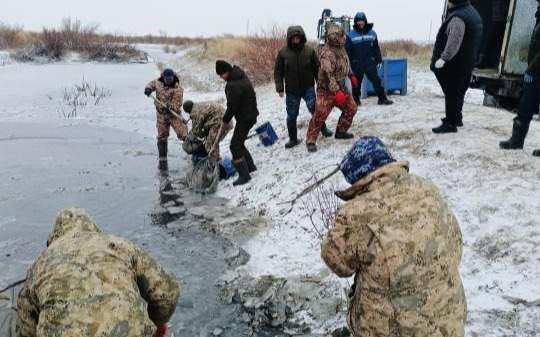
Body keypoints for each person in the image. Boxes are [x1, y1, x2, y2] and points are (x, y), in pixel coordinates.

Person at [321, 137, 467, 337]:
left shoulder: (356, 212)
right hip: (450, 320)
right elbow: (457, 242)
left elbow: (337, 262)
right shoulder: (426, 188)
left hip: (396, 329)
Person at [16, 208, 180, 337]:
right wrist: (158, 323)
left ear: (55, 236)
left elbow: (26, 326)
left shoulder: (42, 261)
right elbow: (168, 293)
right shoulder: (118, 245)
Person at [274, 25, 333, 148]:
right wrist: (280, 88)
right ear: (289, 39)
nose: (296, 40)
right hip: (291, 90)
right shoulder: (283, 53)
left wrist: (321, 83)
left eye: (298, 38)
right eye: (293, 38)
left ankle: (323, 129)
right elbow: (278, 72)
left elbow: (317, 69)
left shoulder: (309, 51)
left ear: (302, 37)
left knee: (315, 109)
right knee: (291, 115)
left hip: (308, 87)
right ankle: (293, 139)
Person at [431, 0, 483, 134]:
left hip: (455, 63)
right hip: (467, 61)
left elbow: (454, 41)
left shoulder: (458, 18)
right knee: (460, 91)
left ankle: (450, 123)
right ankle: (457, 118)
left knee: (452, 92)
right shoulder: (472, 11)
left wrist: (443, 58)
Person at [306, 24, 358, 153]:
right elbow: (328, 75)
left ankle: (341, 132)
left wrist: (351, 75)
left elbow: (346, 62)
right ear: (334, 38)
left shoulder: (341, 48)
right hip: (326, 90)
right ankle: (311, 140)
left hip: (340, 87)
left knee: (351, 108)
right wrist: (336, 92)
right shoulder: (326, 53)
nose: (344, 38)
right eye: (341, 36)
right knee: (320, 114)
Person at [500, 1, 540, 156]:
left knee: (527, 105)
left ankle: (516, 142)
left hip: (536, 72)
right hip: (535, 72)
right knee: (525, 106)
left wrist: (531, 69)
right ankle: (516, 141)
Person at [215, 60, 259, 186]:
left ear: (226, 72)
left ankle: (244, 176)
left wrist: (225, 120)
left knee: (234, 146)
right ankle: (250, 167)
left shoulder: (232, 85)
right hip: (250, 114)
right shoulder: (240, 75)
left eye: (221, 75)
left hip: (245, 117)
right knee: (239, 142)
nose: (221, 78)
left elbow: (232, 107)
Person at [346, 12, 394, 106]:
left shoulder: (372, 33)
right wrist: (349, 64)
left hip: (369, 62)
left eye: (362, 20)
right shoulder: (350, 35)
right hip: (356, 63)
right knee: (356, 84)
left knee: (376, 81)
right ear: (356, 22)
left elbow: (376, 48)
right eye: (358, 21)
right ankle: (356, 101)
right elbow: (348, 51)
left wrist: (379, 60)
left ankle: (382, 99)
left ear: (365, 21)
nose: (360, 23)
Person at [145, 68, 188, 164]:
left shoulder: (178, 88)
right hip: (161, 115)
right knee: (162, 136)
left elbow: (177, 104)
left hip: (174, 115)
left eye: (170, 80)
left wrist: (171, 106)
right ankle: (162, 159)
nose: (168, 82)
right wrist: (148, 89)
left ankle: (195, 154)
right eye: (167, 80)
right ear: (163, 78)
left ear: (173, 78)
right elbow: (151, 84)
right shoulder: (158, 82)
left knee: (183, 134)